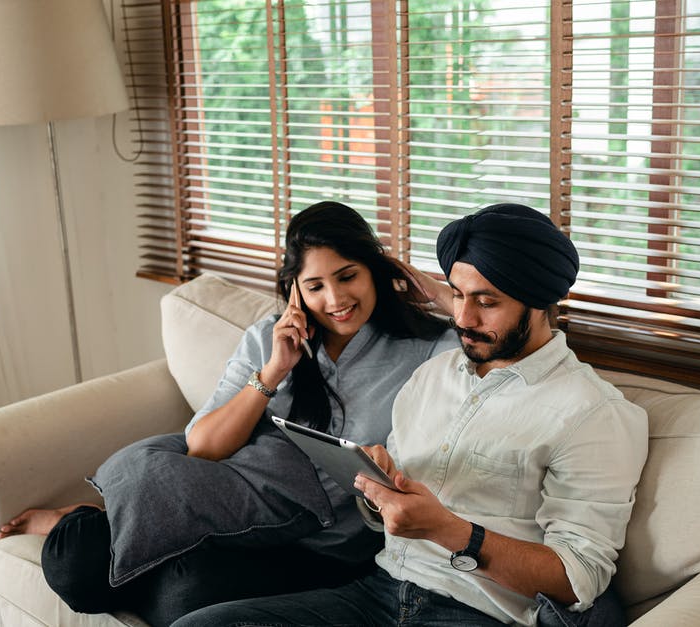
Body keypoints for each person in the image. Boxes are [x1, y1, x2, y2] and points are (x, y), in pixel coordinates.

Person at [173, 203, 650, 627]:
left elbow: (580, 578)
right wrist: (379, 489)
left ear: (543, 302)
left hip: (480, 611)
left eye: (487, 302)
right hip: (379, 593)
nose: (463, 318)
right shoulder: (433, 376)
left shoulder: (593, 413)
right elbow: (387, 521)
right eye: (456, 295)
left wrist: (448, 530)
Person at [0, 200, 461, 625]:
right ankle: (81, 519)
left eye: (348, 276)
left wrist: (437, 292)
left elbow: (510, 339)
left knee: (183, 600)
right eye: (315, 286)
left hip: (322, 552)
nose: (335, 300)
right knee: (75, 564)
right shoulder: (267, 339)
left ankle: (129, 543)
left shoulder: (427, 349)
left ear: (375, 270)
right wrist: (275, 371)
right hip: (232, 519)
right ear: (294, 290)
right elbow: (202, 446)